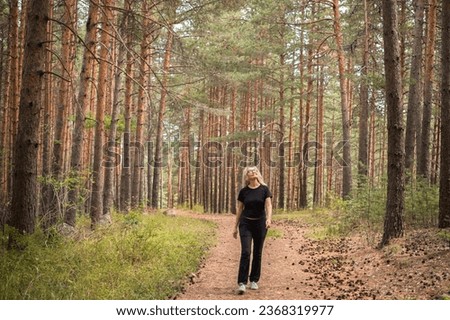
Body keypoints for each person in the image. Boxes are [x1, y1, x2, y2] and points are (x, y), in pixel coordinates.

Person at [233, 166, 273, 294]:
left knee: (257, 252)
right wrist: (235, 227)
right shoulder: (244, 191)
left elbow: (268, 205)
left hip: (260, 224)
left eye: (255, 171)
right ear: (246, 176)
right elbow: (239, 209)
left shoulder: (264, 189)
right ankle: (242, 283)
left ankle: (254, 280)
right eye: (250, 171)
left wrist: (269, 219)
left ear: (258, 174)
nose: (253, 172)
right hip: (245, 223)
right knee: (246, 252)